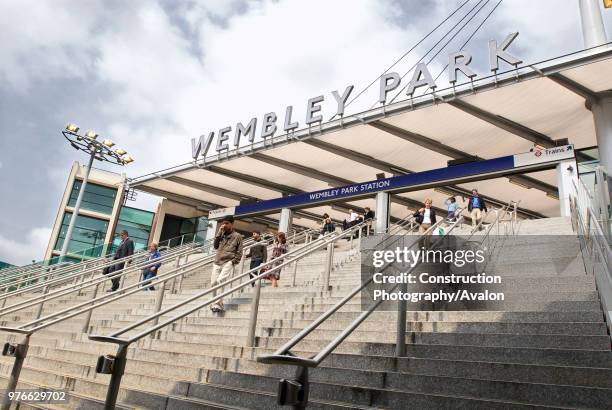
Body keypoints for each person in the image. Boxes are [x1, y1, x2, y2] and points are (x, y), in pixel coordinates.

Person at [210, 215, 243, 312]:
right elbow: (215, 246)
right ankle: (216, 302)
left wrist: (233, 262)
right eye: (223, 223)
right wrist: (219, 233)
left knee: (221, 280)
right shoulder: (221, 234)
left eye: (226, 223)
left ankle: (217, 303)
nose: (224, 225)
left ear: (232, 224)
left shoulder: (237, 236)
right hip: (217, 261)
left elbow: (240, 251)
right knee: (213, 283)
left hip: (228, 261)